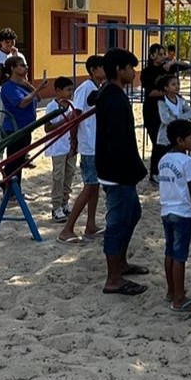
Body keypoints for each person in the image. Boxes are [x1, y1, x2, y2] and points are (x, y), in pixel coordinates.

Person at [95, 48, 150, 297]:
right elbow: (117, 141)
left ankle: (121, 263)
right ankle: (113, 278)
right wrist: (128, 170)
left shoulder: (111, 92)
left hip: (120, 170)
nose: (133, 72)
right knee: (117, 223)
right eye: (130, 67)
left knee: (133, 214)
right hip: (116, 172)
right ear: (119, 69)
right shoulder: (113, 98)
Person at [58, 55, 106, 244]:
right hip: (88, 145)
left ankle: (91, 224)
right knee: (89, 186)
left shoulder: (97, 88)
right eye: (102, 67)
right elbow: (75, 117)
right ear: (94, 70)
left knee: (95, 186)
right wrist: (73, 142)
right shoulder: (85, 89)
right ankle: (67, 229)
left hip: (95, 144)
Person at [157, 118, 191, 313]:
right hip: (182, 212)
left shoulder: (164, 159)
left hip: (166, 210)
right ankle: (179, 298)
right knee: (180, 256)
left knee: (169, 252)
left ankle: (171, 290)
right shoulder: (187, 161)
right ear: (180, 140)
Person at [0, 56, 49, 186]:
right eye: (22, 65)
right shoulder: (9, 87)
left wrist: (28, 84)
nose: (25, 67)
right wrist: (38, 88)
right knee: (13, 161)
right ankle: (8, 188)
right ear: (13, 68)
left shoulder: (22, 85)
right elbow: (22, 103)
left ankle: (16, 189)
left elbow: (38, 98)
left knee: (19, 161)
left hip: (26, 128)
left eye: (25, 65)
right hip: (15, 129)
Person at [42, 76, 78, 222]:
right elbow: (47, 127)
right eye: (68, 90)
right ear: (58, 91)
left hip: (69, 145)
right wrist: (66, 119)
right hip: (57, 147)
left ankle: (64, 202)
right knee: (58, 176)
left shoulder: (71, 104)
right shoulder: (52, 106)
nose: (70, 93)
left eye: (72, 90)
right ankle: (56, 206)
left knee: (70, 174)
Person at [0, 28, 26, 151]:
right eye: (7, 42)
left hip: (17, 93)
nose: (10, 45)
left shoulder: (19, 56)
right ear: (1, 42)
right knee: (0, 122)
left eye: (12, 42)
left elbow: (24, 76)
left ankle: (20, 151)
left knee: (18, 122)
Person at [139, 43, 169, 183]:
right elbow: (151, 92)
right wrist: (167, 92)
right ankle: (154, 173)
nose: (164, 56)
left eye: (164, 54)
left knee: (166, 141)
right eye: (160, 54)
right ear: (152, 56)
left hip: (165, 109)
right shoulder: (147, 72)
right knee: (157, 142)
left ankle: (163, 170)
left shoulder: (166, 70)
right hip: (152, 110)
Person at [156, 73, 191, 155]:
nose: (177, 86)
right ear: (166, 87)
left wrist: (178, 118)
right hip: (165, 139)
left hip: (179, 137)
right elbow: (165, 119)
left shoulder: (181, 100)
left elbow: (190, 112)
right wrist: (180, 120)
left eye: (178, 84)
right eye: (173, 84)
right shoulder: (162, 102)